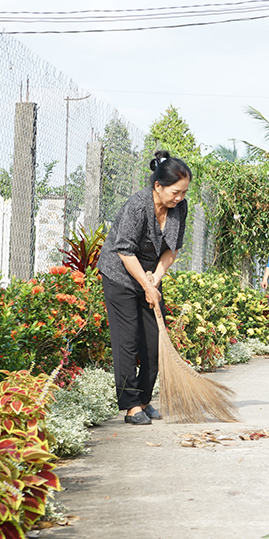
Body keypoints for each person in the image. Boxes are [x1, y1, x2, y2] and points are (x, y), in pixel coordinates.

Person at [98, 150, 191, 426]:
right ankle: (129, 405)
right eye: (175, 192)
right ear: (158, 186)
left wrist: (155, 280)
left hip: (149, 275)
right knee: (127, 340)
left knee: (154, 341)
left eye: (184, 193)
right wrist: (144, 284)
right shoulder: (137, 205)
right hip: (120, 274)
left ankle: (144, 400)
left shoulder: (179, 209)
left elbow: (172, 250)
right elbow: (124, 251)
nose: (180, 198)